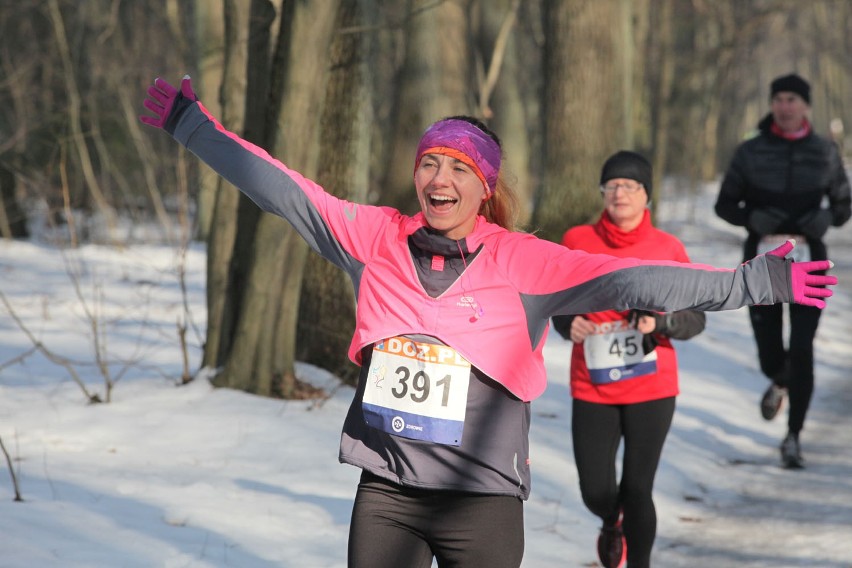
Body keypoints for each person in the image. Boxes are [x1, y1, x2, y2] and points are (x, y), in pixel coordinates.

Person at [141, 75, 836, 568]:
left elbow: (638, 277)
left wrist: (754, 281)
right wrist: (193, 127)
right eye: (429, 164)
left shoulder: (524, 263)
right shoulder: (374, 239)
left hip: (482, 499)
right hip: (387, 491)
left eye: (457, 169)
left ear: (484, 186)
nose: (439, 180)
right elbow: (282, 189)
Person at [552, 151, 705, 568]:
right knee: (596, 490)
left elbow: (696, 319)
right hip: (593, 383)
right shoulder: (577, 240)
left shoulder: (667, 248)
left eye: (630, 186)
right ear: (602, 192)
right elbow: (554, 300)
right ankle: (610, 520)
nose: (619, 193)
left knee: (638, 488)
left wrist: (660, 322)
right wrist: (569, 323)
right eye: (612, 185)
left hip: (651, 386)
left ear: (646, 196)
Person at [715, 73, 851, 469]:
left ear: (805, 106)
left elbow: (843, 207)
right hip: (763, 257)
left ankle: (793, 436)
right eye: (779, 99)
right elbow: (724, 205)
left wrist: (824, 218)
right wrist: (753, 217)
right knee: (771, 350)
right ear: (772, 105)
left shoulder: (825, 151)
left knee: (804, 348)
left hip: (811, 259)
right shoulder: (750, 152)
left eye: (793, 99)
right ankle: (778, 378)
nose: (785, 106)